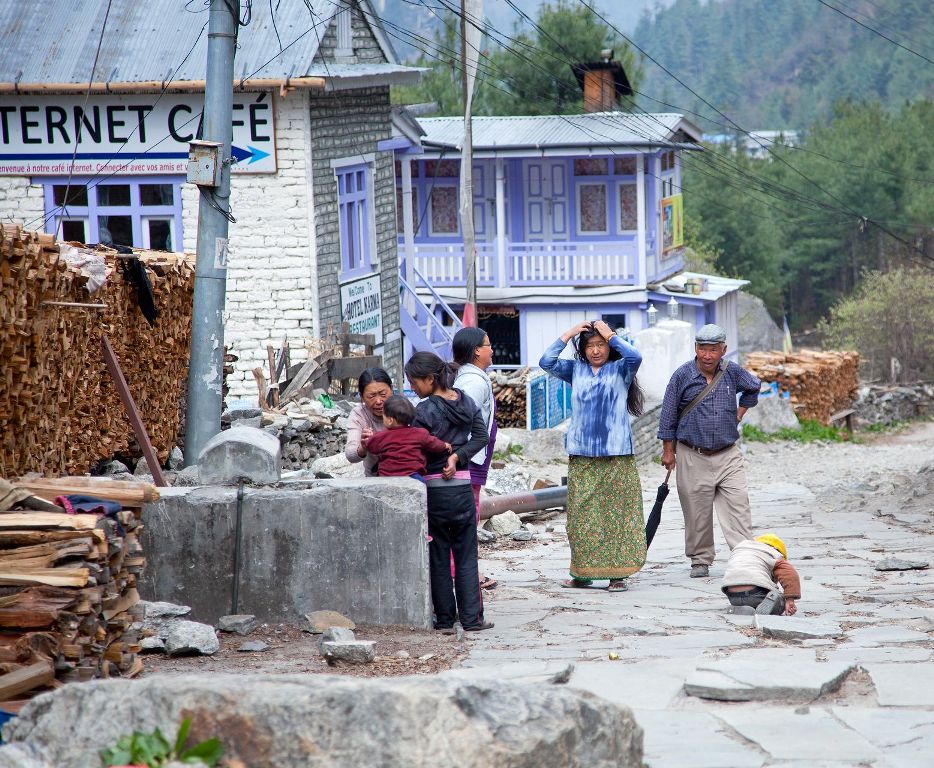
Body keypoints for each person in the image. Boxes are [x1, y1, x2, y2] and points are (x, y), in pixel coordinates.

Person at [539, 319, 646, 592]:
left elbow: (635, 355)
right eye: (590, 346)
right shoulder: (575, 370)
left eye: (601, 345)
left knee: (617, 516)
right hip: (582, 454)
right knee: (581, 516)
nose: (596, 351)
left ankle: (617, 576)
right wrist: (570, 333)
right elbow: (546, 361)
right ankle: (582, 573)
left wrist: (611, 335)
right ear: (583, 349)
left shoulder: (622, 369)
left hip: (616, 454)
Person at [657, 323, 761, 579]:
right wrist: (668, 451)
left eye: (713, 350)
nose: (707, 355)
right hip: (692, 454)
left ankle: (744, 556)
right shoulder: (682, 376)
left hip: (727, 453)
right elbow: (668, 414)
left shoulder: (732, 372)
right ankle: (700, 560)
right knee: (696, 511)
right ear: (696, 349)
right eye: (702, 349)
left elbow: (754, 386)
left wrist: (739, 413)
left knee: (738, 506)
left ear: (723, 350)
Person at [405, 352, 493, 632]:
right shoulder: (465, 401)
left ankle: (444, 619)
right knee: (467, 555)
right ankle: (472, 619)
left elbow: (417, 447)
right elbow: (481, 437)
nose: (413, 388)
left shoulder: (423, 410)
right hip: (464, 490)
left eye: (414, 382)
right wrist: (458, 458)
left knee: (440, 556)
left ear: (430, 379)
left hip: (435, 492)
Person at [452, 326, 498, 590]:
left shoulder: (474, 377)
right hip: (469, 460)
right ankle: (467, 575)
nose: (492, 349)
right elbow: (460, 417)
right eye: (488, 344)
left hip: (473, 459)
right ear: (477, 351)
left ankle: (467, 571)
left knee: (471, 515)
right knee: (467, 518)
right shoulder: (473, 382)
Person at [361, 394, 452, 479]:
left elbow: (371, 447)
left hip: (388, 477)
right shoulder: (420, 433)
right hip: (414, 475)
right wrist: (444, 445)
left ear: (390, 420)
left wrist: (369, 437)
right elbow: (434, 444)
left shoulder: (382, 436)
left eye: (384, 415)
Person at [721, 533, 801, 615]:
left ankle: (739, 607)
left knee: (751, 594)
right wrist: (790, 599)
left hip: (732, 594)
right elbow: (789, 574)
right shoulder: (774, 554)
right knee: (777, 599)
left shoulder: (740, 549)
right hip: (755, 593)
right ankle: (767, 607)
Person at [344, 367, 393, 477]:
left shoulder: (403, 409)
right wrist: (364, 447)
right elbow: (350, 455)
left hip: (405, 477)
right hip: (374, 479)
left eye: (383, 394)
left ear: (391, 390)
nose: (379, 401)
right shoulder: (359, 414)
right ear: (362, 397)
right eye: (371, 396)